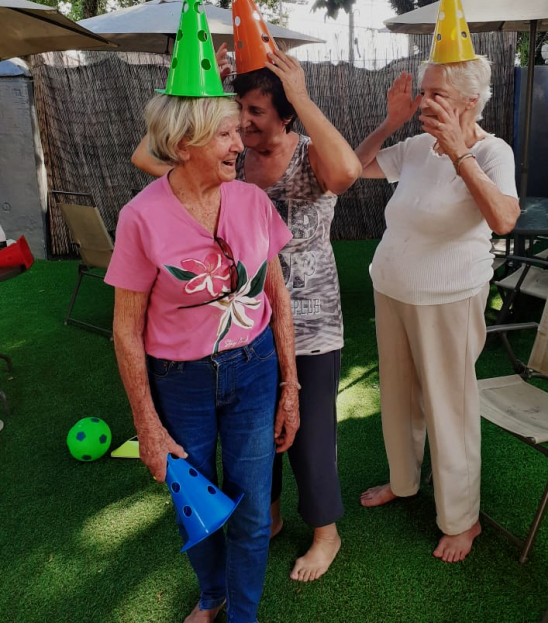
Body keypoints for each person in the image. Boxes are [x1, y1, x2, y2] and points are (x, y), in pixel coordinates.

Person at [133, 48, 362, 582]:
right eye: (236, 112)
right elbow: (149, 155)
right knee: (258, 438)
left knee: (308, 433)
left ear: (285, 115)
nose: (243, 122)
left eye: (254, 111)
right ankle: (272, 513)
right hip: (247, 327)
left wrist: (301, 94)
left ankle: (327, 531)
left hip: (311, 317)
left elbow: (349, 171)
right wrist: (196, 98)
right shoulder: (229, 161)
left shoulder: (309, 155)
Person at [106, 91, 299, 623]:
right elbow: (125, 329)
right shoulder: (140, 217)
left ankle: (243, 614)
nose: (242, 143)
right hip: (179, 381)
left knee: (254, 509)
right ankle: (212, 593)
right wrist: (145, 422)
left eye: (240, 130)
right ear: (185, 142)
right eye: (226, 134)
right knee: (195, 506)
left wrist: (291, 387)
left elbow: (278, 298)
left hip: (255, 369)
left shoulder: (253, 201)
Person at [356, 58, 520, 563]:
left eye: (436, 94)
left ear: (471, 100)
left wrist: (459, 154)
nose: (425, 102)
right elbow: (350, 169)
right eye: (423, 92)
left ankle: (461, 519)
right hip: (392, 289)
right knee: (399, 395)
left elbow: (504, 220)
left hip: (449, 296)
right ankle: (403, 482)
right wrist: (391, 121)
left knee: (449, 406)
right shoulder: (415, 147)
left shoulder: (494, 152)